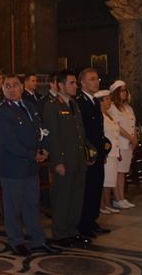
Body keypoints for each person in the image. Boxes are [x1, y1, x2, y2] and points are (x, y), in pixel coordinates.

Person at [0, 75, 59, 256]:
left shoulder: (30, 106)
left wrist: (44, 149)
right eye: (7, 86)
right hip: (13, 167)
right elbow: (9, 141)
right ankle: (16, 241)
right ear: (3, 89)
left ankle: (38, 241)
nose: (11, 89)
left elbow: (41, 131)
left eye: (15, 85)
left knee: (32, 205)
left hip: (31, 166)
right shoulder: (0, 111)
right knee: (13, 208)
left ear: (22, 87)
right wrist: (32, 154)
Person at [43, 69, 92, 248]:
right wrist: (58, 162)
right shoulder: (52, 106)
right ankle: (60, 233)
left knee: (76, 198)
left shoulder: (74, 104)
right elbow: (52, 137)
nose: (75, 86)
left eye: (75, 83)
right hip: (64, 161)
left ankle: (72, 230)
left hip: (78, 159)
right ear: (60, 85)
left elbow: (80, 132)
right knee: (62, 198)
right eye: (71, 83)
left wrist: (88, 152)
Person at [75, 68, 110, 238]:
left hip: (98, 153)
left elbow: (99, 130)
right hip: (88, 154)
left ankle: (92, 220)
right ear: (83, 83)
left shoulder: (95, 101)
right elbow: (81, 132)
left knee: (96, 187)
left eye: (97, 79)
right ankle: (84, 224)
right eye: (92, 79)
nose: (96, 82)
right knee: (87, 189)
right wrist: (87, 153)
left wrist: (103, 152)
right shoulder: (79, 103)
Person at [107, 80, 137, 209]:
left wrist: (135, 138)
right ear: (115, 93)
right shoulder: (112, 107)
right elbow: (117, 127)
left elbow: (133, 125)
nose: (124, 93)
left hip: (128, 144)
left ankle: (122, 197)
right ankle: (117, 198)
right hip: (120, 143)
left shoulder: (128, 107)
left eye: (125, 90)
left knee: (123, 172)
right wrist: (130, 138)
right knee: (117, 172)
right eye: (121, 91)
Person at [96, 89, 122, 215]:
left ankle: (107, 204)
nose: (109, 101)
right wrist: (103, 152)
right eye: (106, 99)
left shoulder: (109, 115)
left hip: (114, 151)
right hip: (107, 153)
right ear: (100, 102)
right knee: (105, 181)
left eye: (109, 99)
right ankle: (103, 205)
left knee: (110, 180)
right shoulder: (99, 116)